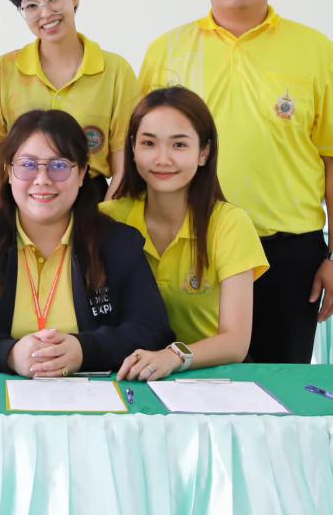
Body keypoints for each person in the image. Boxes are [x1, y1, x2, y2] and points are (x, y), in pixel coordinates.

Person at [138, 0, 333, 363]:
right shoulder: (168, 50)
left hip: (287, 251)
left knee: (280, 386)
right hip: (193, 246)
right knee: (190, 381)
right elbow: (141, 149)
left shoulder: (316, 51)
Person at [0, 110, 173, 376]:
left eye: (59, 166)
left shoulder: (118, 243)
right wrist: (7, 353)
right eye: (27, 165)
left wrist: (85, 350)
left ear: (82, 173)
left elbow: (153, 329)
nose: (42, 179)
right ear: (9, 172)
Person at [104, 88, 269, 381]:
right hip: (126, 375)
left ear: (204, 152)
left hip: (209, 380)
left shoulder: (229, 224)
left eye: (179, 145)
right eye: (148, 143)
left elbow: (236, 342)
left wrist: (173, 357)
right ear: (132, 148)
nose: (162, 159)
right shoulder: (107, 218)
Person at [0, 0, 139, 201]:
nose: (45, 13)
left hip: (91, 199)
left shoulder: (116, 71)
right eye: (31, 6)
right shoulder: (3, 70)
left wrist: (106, 218)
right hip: (25, 198)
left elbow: (125, 167)